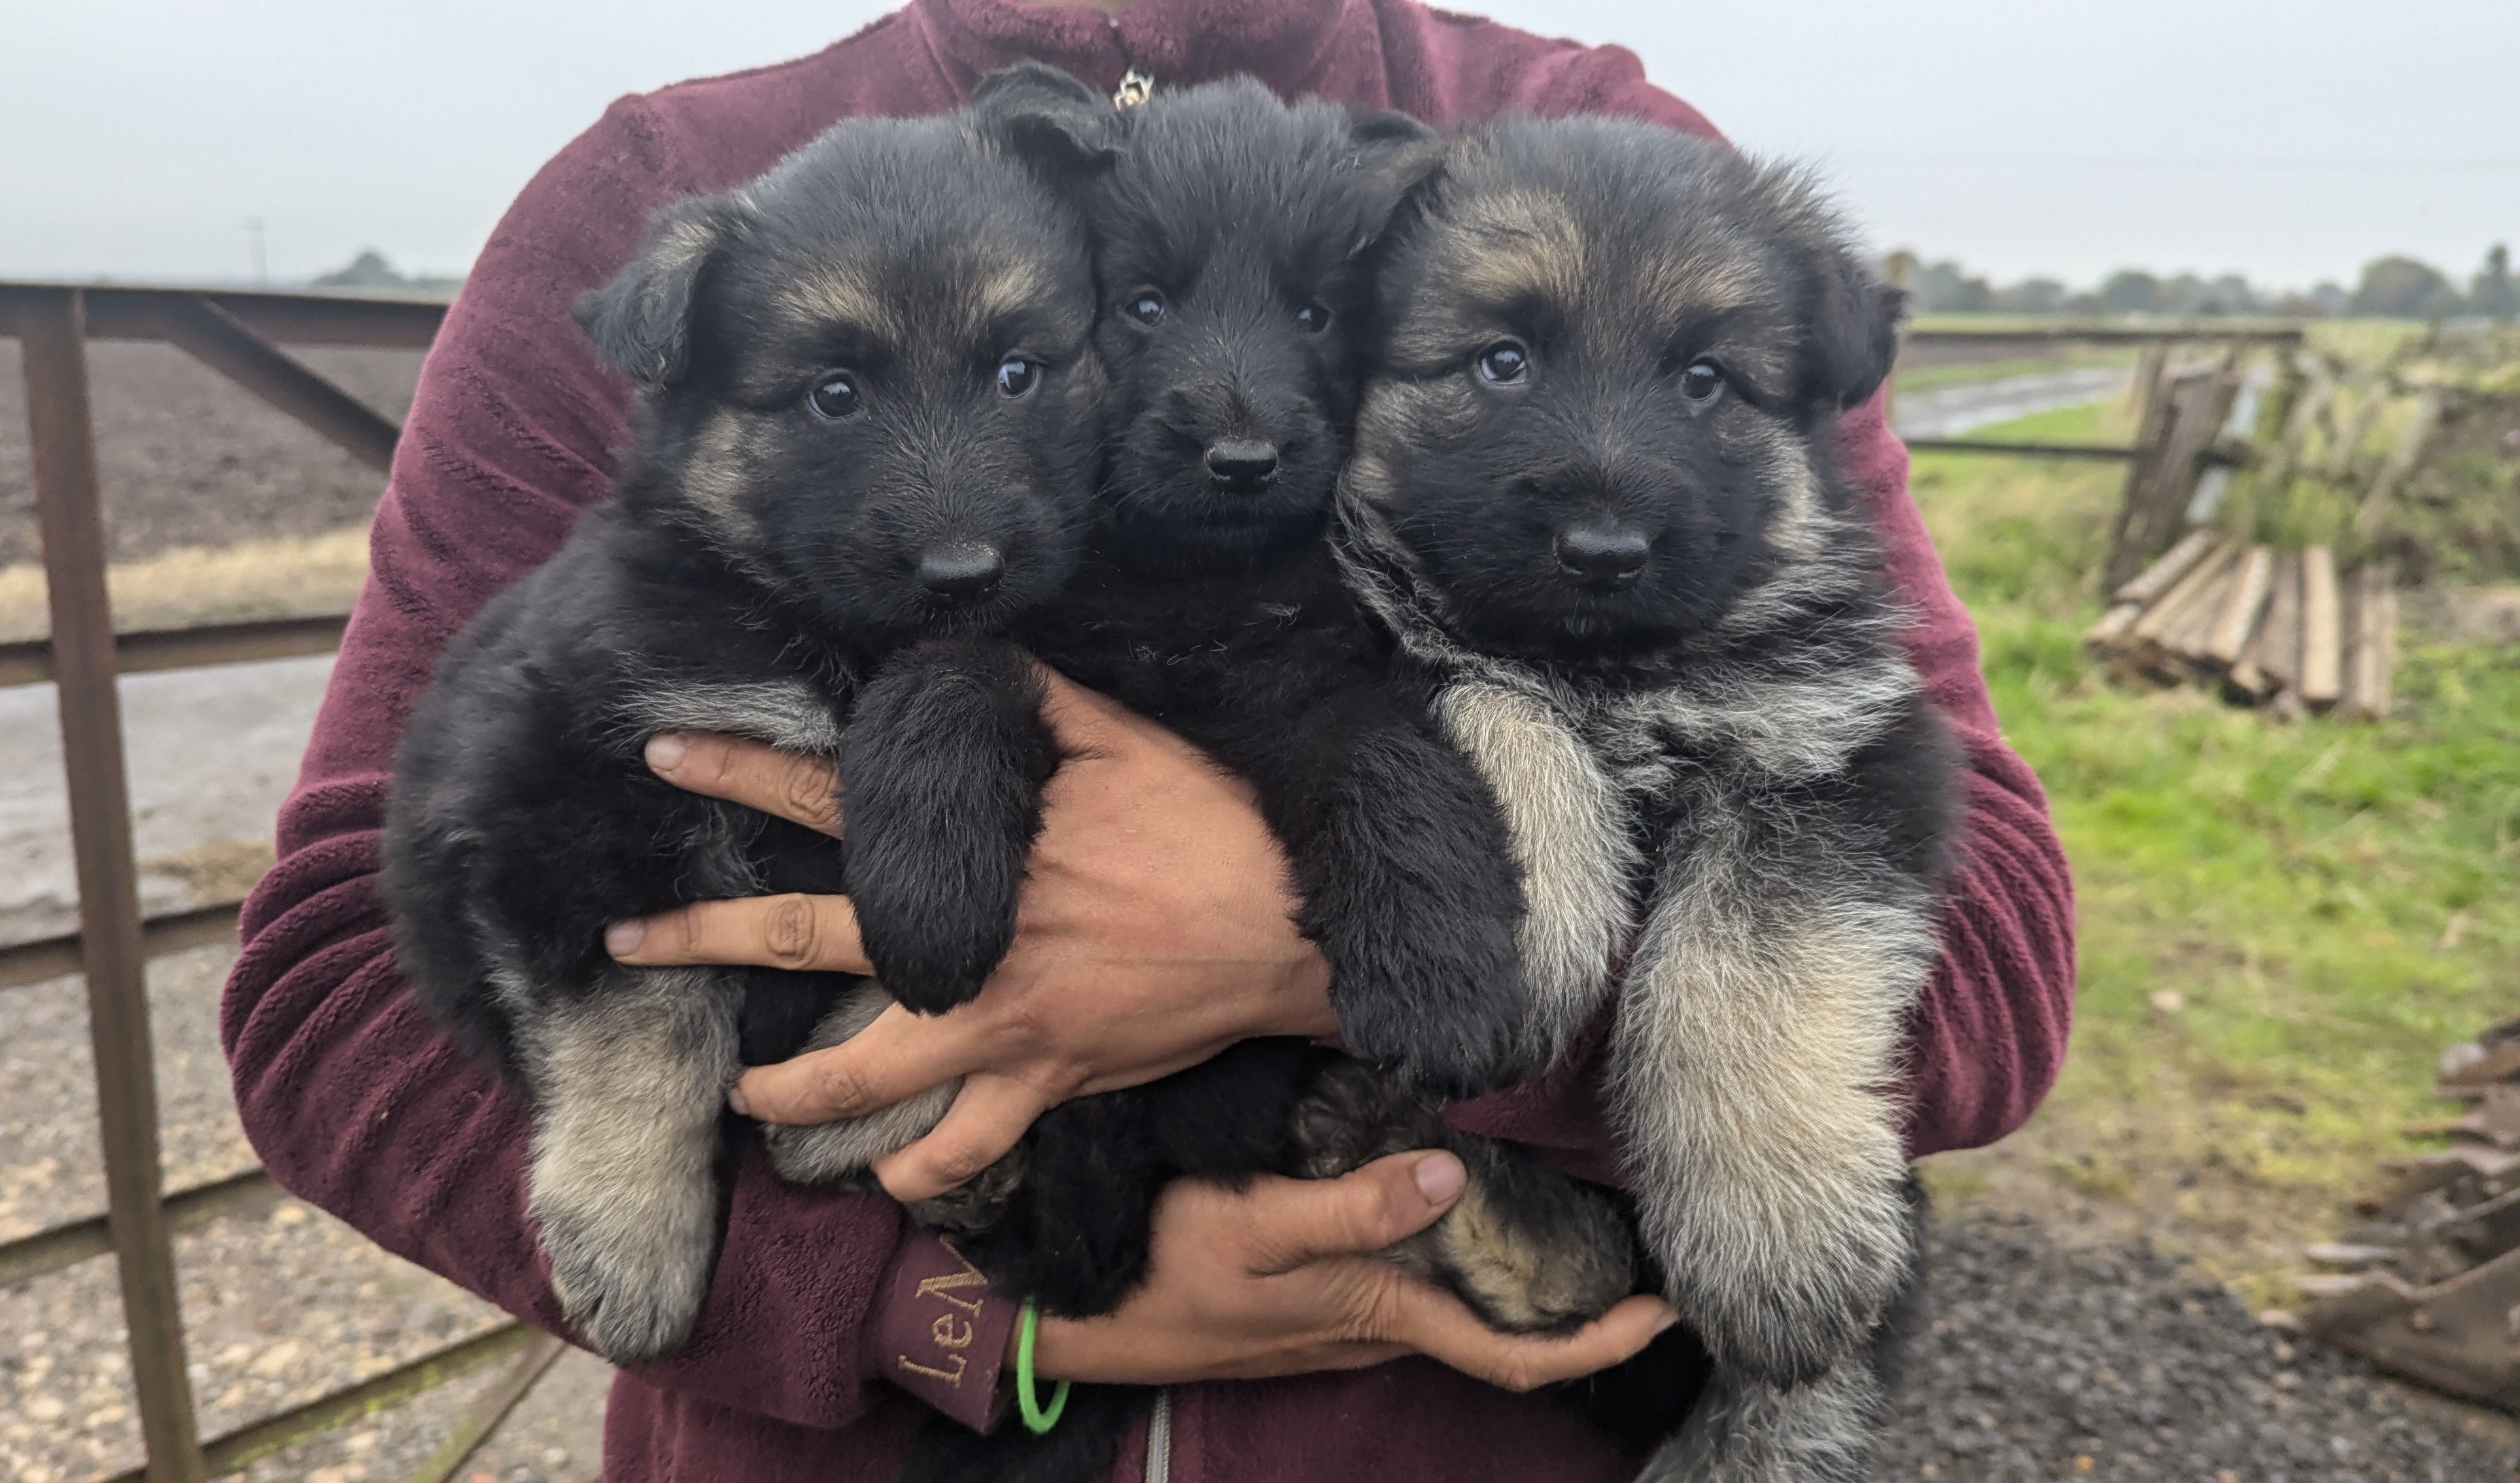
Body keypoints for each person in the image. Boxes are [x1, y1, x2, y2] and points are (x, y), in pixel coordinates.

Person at [220, 1, 2077, 1476]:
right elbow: (326, 995)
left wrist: (1311, 960)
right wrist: (923, 1315)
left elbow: (1992, 966)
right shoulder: (663, 190)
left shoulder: (1570, 160)